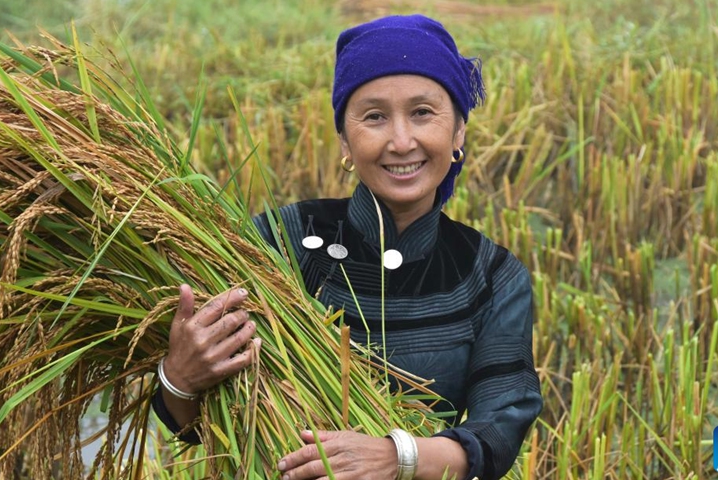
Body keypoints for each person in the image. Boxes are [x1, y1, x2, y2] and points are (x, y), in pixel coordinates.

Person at [153, 14, 543, 480]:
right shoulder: (276, 242)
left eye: (423, 112)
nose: (401, 142)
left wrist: (399, 457)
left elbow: (497, 435)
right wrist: (179, 377)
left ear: (458, 132)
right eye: (374, 116)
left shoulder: (491, 275)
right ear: (344, 137)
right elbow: (196, 427)